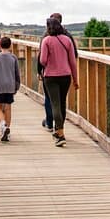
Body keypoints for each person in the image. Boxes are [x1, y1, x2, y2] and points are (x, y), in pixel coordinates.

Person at [39, 17, 79, 147]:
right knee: (62, 103)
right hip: (66, 76)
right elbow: (73, 61)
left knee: (54, 104)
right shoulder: (67, 40)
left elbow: (43, 60)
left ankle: (60, 134)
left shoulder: (46, 40)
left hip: (50, 76)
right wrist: (75, 79)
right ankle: (59, 130)